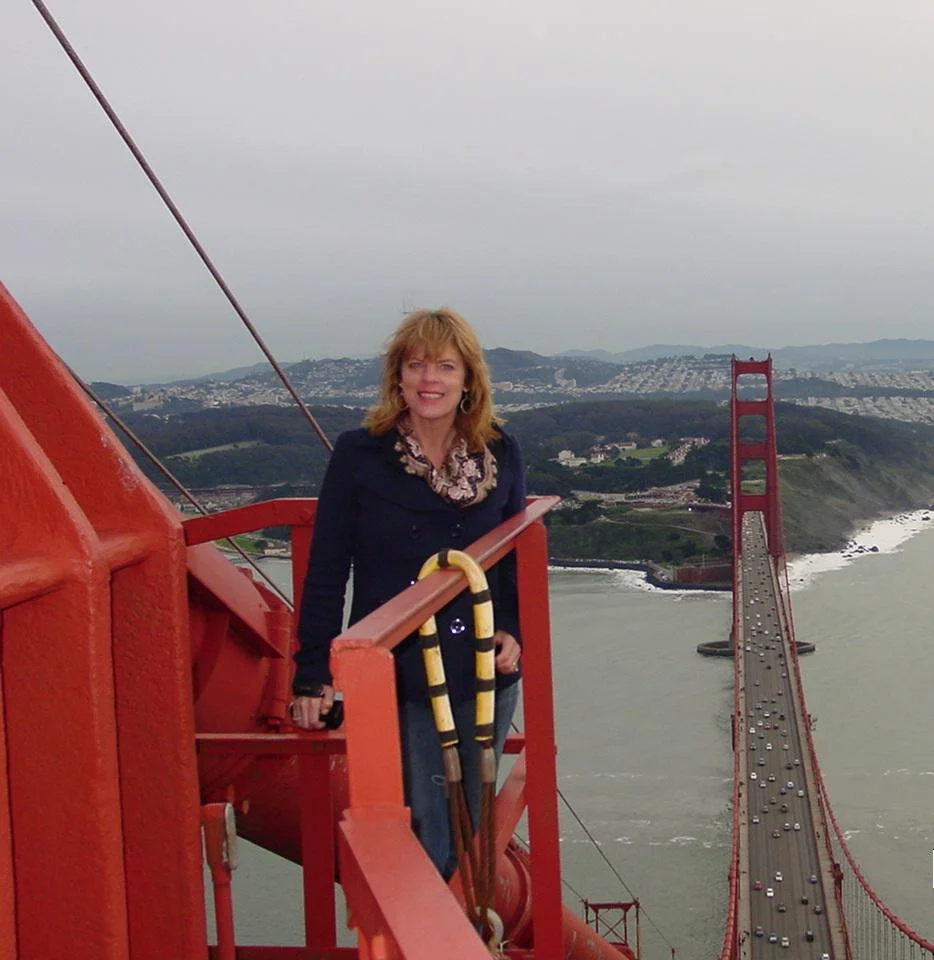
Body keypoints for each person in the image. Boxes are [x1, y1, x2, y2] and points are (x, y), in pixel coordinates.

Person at [291, 307, 526, 877]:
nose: (429, 379)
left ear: (468, 380)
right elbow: (328, 567)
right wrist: (312, 674)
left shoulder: (500, 451)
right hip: (402, 673)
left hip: (483, 669)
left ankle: (461, 918)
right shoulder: (359, 454)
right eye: (416, 365)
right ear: (397, 377)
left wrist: (513, 630)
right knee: (427, 836)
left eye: (445, 366)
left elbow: (511, 556)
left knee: (471, 830)